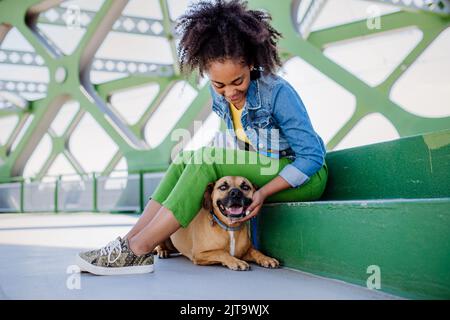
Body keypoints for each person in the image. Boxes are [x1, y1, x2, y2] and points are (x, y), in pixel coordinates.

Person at [75, 0, 328, 276]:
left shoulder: (277, 92)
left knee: (205, 159)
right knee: (186, 158)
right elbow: (241, 146)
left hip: (303, 178)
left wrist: (263, 192)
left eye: (238, 81)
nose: (229, 92)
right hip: (264, 169)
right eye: (219, 84)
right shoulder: (218, 95)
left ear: (252, 64)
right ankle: (128, 243)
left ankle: (139, 249)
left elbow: (312, 157)